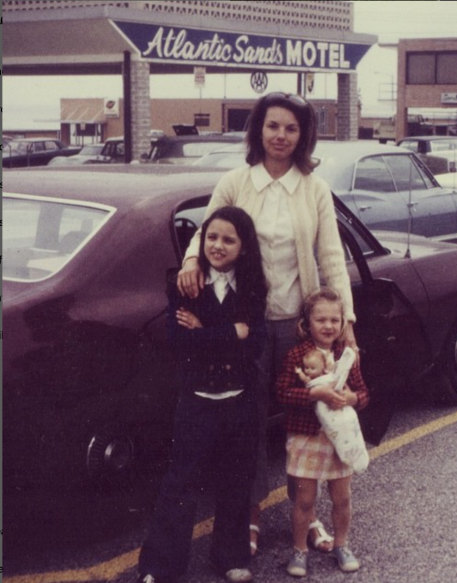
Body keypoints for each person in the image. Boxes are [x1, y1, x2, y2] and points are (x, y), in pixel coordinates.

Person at [177, 91, 358, 556]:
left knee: (310, 421)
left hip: (298, 327)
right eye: (273, 126)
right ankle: (249, 517)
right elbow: (205, 229)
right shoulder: (237, 181)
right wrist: (192, 260)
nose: (281, 136)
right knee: (249, 423)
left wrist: (347, 322)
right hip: (248, 325)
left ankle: (310, 515)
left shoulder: (314, 189)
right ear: (259, 130)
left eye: (291, 128)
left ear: (303, 136)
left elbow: (331, 257)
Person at [138, 207, 267, 583]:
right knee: (180, 483)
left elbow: (256, 344)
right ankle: (160, 567)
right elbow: (181, 342)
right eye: (212, 237)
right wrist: (232, 332)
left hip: (239, 401)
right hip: (197, 402)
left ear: (244, 248)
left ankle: (230, 556)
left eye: (229, 240)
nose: (218, 246)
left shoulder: (253, 286)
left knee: (235, 480)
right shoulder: (185, 285)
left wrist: (208, 330)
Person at [276, 287, 370, 577]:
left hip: (340, 439)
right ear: (307, 323)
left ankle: (341, 544)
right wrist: (317, 395)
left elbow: (364, 393)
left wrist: (352, 398)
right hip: (307, 438)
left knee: (342, 497)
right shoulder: (296, 355)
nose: (328, 326)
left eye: (334, 320)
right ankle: (299, 550)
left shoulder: (347, 355)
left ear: (342, 322)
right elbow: (282, 394)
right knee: (305, 500)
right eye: (321, 320)